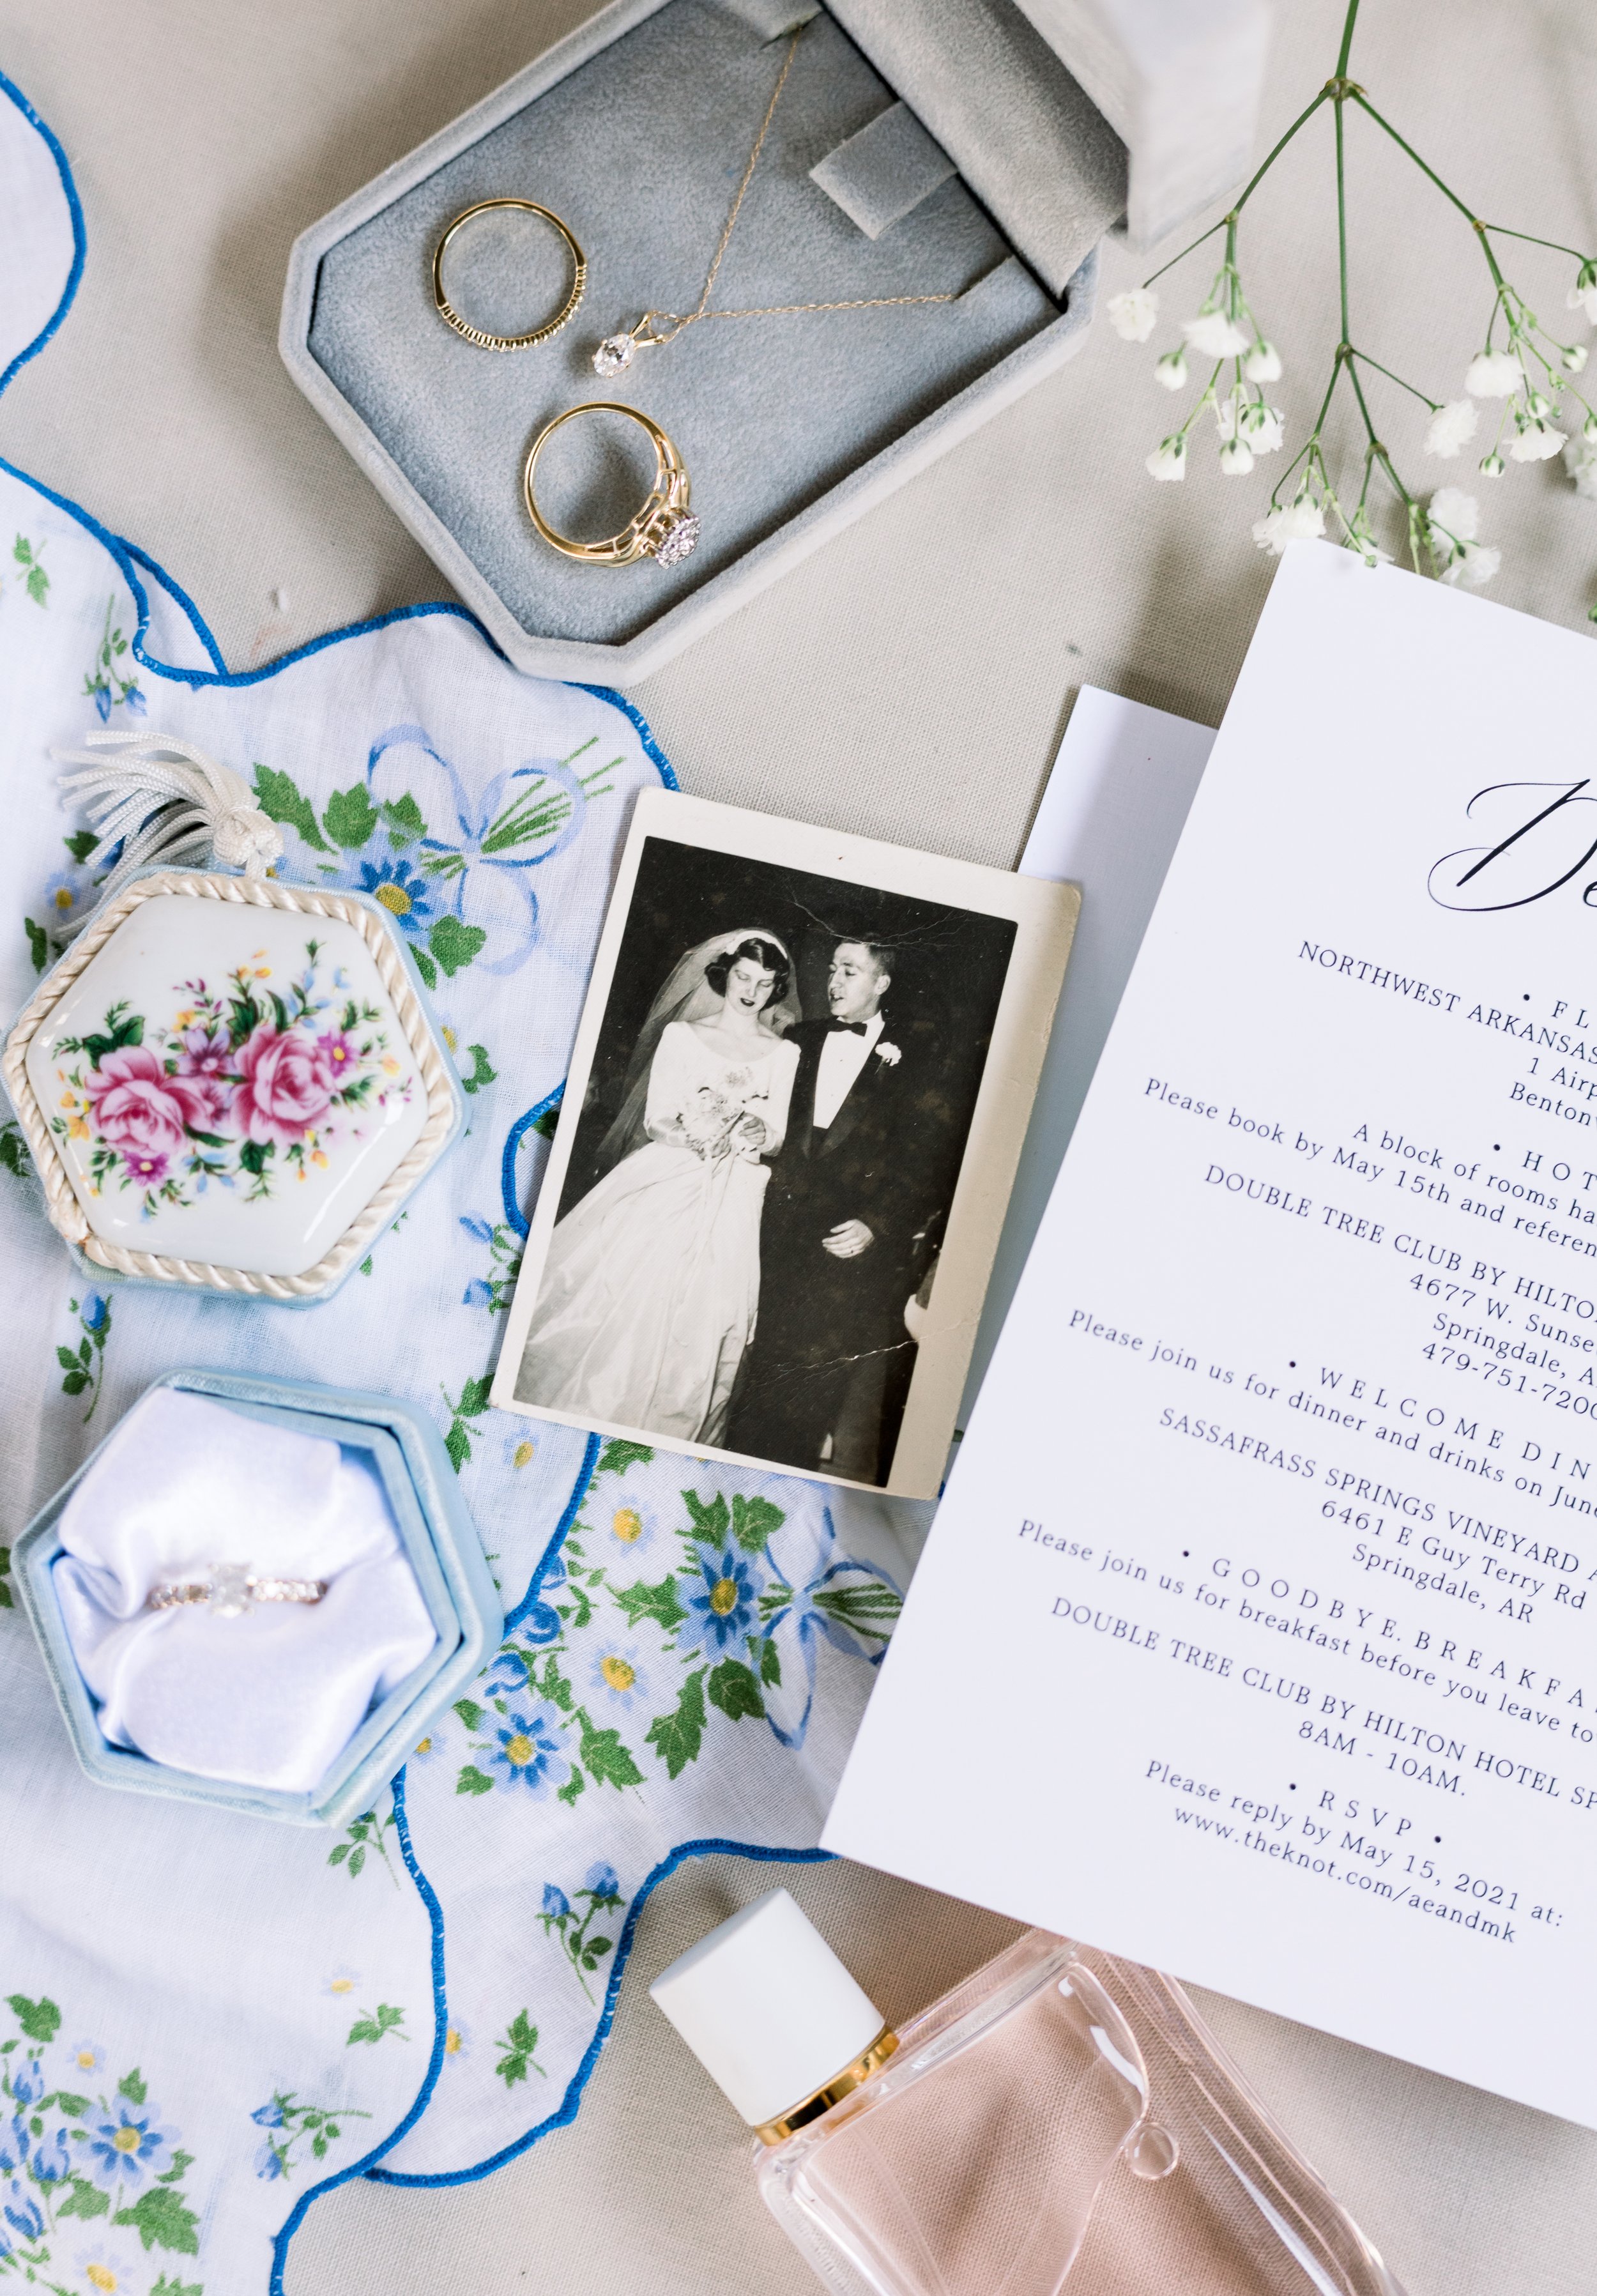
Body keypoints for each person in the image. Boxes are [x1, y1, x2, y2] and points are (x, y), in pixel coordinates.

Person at [514, 933, 799, 1446]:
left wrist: (760, 1133)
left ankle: (668, 1428)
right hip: (668, 1180)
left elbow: (775, 1134)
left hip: (734, 1195)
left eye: (764, 983)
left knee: (710, 1312)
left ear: (777, 987)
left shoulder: (784, 1053)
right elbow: (656, 1118)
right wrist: (694, 1131)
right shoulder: (682, 1036)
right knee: (630, 1292)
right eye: (743, 977)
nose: (751, 991)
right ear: (724, 973)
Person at [727, 938, 937, 1482]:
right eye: (833, 968)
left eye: (850, 970)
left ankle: (784, 1484)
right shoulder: (800, 1038)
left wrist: (877, 1223)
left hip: (843, 1247)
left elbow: (925, 1159)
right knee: (751, 1366)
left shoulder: (916, 1056)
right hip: (772, 1228)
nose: (834, 981)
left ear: (881, 983)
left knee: (812, 1383)